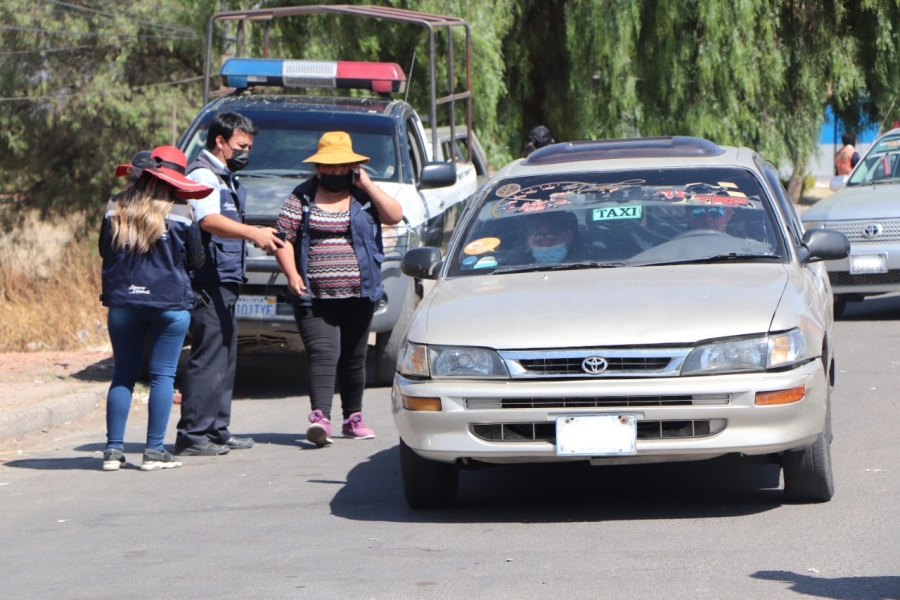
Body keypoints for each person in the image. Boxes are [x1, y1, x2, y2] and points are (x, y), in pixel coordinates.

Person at [273, 131, 403, 447]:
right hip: (313, 295)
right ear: (318, 168)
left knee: (354, 358)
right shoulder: (301, 197)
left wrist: (368, 185)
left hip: (360, 292)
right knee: (324, 353)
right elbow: (282, 239)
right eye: (328, 167)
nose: (334, 172)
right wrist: (291, 274)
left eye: (341, 166)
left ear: (352, 167)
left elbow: (395, 216)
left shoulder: (364, 196)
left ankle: (353, 419)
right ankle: (320, 420)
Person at [175, 111, 285, 456]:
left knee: (225, 356)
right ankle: (193, 435)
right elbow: (208, 220)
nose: (245, 152)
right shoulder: (204, 175)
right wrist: (253, 232)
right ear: (220, 142)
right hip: (208, 279)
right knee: (209, 356)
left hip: (225, 278)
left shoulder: (224, 177)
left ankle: (216, 428)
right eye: (240, 145)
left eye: (249, 146)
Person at [99, 146, 212, 471]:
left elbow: (103, 250)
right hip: (169, 303)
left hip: (123, 301)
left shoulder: (114, 207)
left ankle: (112, 451)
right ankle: (153, 452)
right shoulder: (181, 211)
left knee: (123, 374)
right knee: (163, 377)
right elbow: (197, 260)